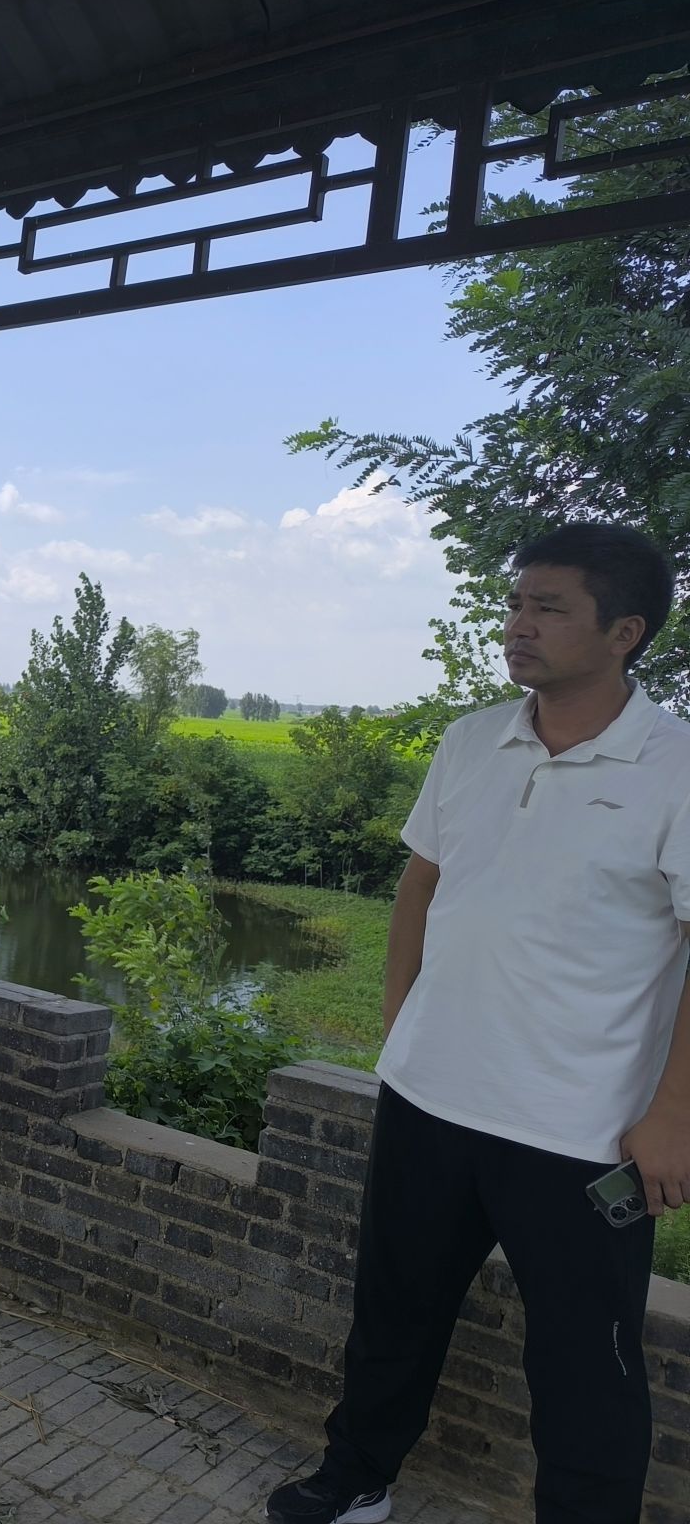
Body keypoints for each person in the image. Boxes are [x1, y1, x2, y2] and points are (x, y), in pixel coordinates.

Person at [267, 522, 690, 1524]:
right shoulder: (471, 740)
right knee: (392, 1312)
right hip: (429, 1098)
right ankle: (355, 1479)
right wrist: (399, 1022)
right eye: (514, 604)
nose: (517, 625)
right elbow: (422, 881)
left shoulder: (674, 765)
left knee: (586, 1363)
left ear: (624, 631)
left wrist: (672, 1114)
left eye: (548, 607)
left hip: (580, 1130)